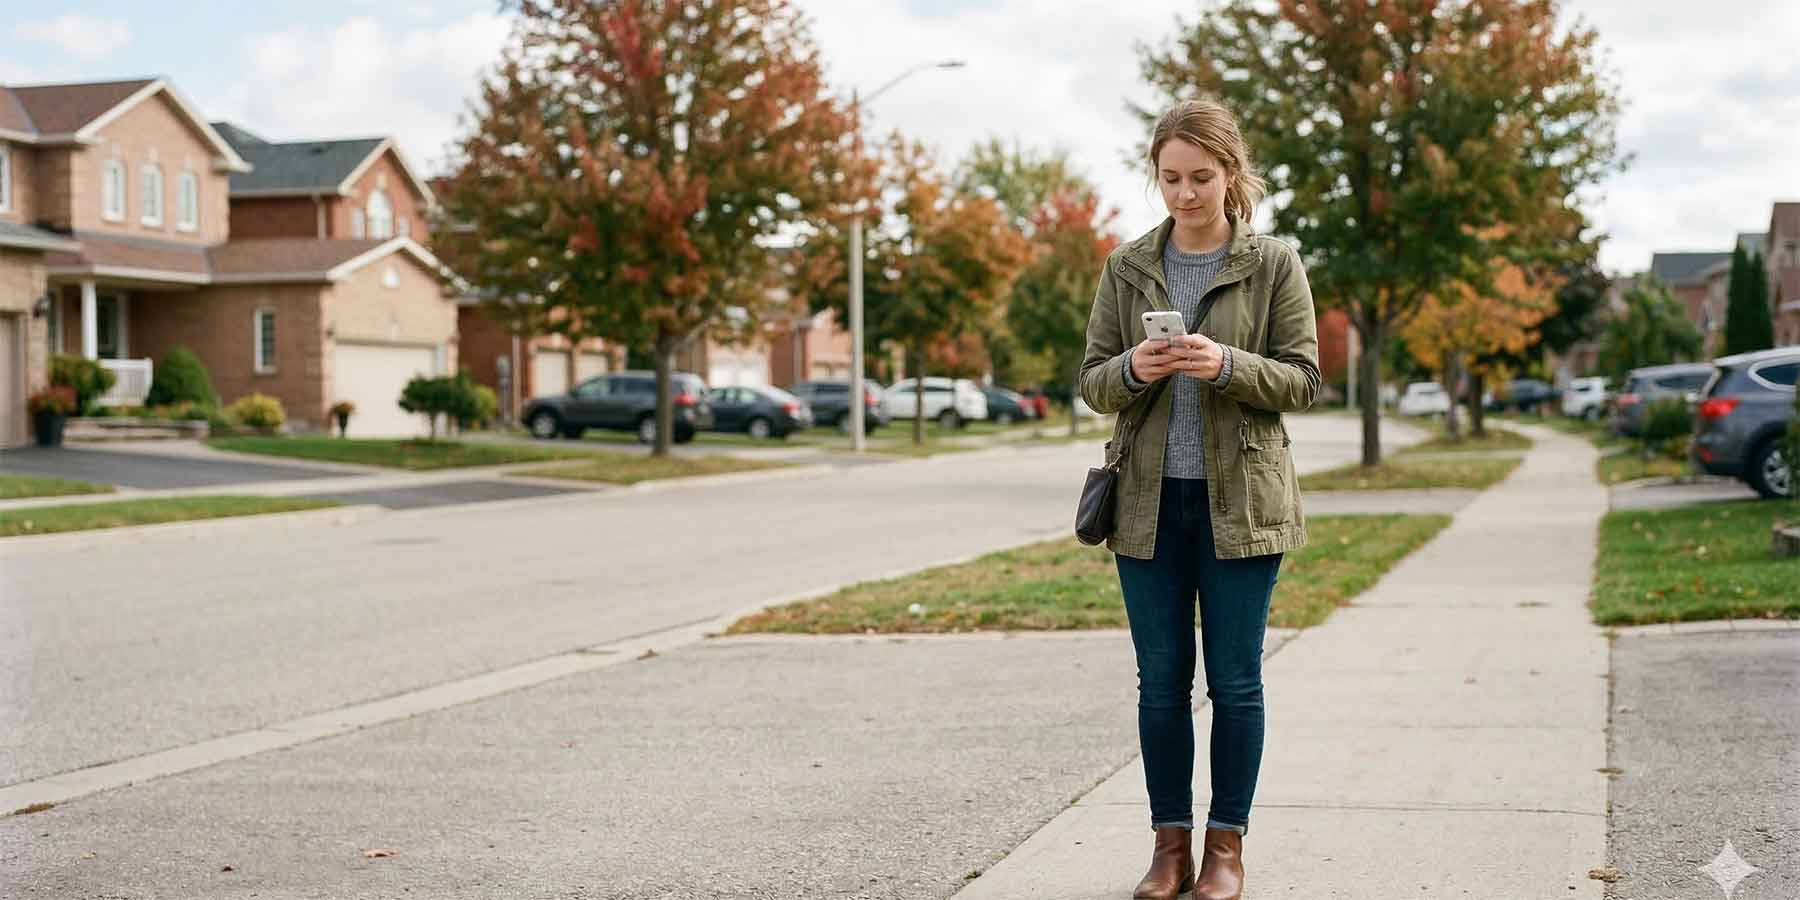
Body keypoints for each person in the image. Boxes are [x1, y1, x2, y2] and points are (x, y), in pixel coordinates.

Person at [1077, 98, 1320, 900]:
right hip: (1146, 505)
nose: (1185, 193)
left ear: (1231, 174)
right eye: (1171, 177)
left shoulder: (1274, 263)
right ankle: (1169, 847)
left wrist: (1226, 365)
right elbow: (1092, 383)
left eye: (1202, 177)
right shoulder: (1126, 266)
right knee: (1160, 684)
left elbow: (1304, 380)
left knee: (1236, 683)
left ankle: (1226, 849)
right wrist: (1132, 370)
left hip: (1242, 504)